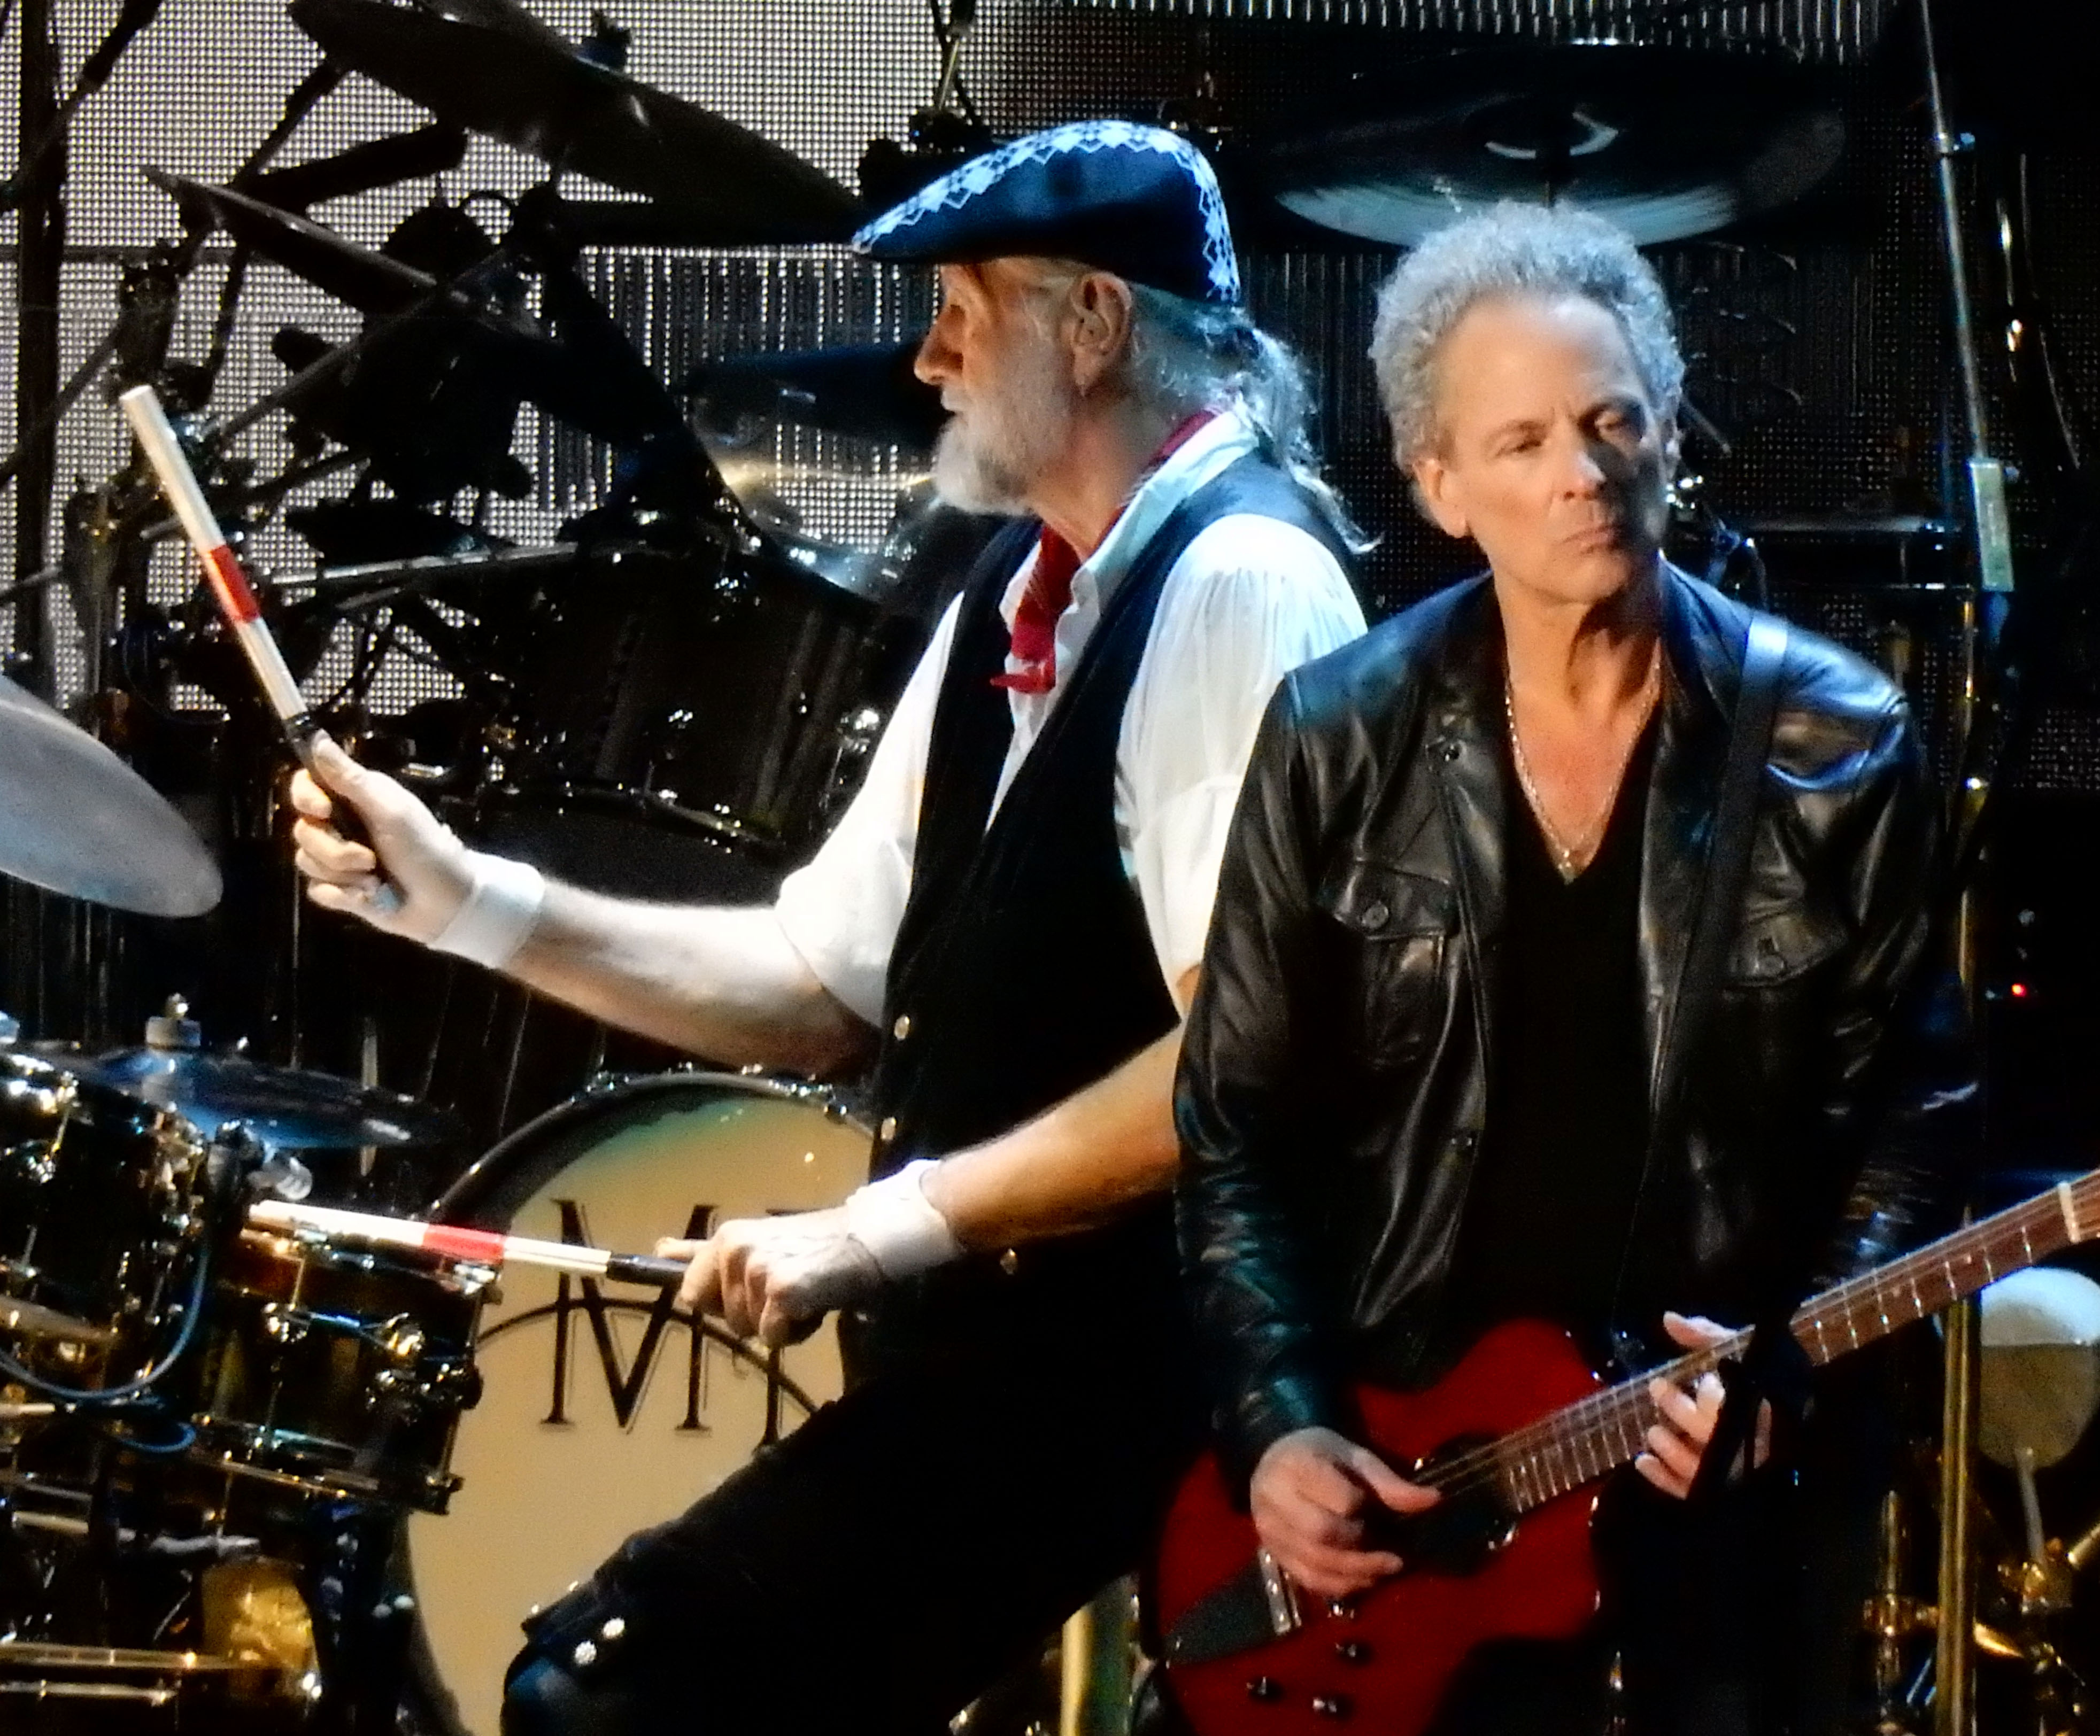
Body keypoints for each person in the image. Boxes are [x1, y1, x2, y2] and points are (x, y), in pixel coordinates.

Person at [289, 121, 1368, 1732]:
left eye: (962, 308)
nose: (927, 357)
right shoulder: (1014, 590)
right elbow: (816, 979)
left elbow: (1240, 1061)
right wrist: (467, 903)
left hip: (1142, 1380)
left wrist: (878, 1229)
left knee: (613, 1698)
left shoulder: (1241, 583)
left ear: (1093, 324)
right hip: (1002, 1372)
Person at [1171, 204, 1942, 1736]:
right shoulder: (1337, 733)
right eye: (1520, 442)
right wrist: (1281, 1424)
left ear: (1670, 438)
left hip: (1705, 1499)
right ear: (1439, 486)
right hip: (1416, 1480)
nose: (1581, 473)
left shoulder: (1835, 741)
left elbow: (1911, 1130)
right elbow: (1235, 1132)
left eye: (1611, 422)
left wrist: (1787, 1365)